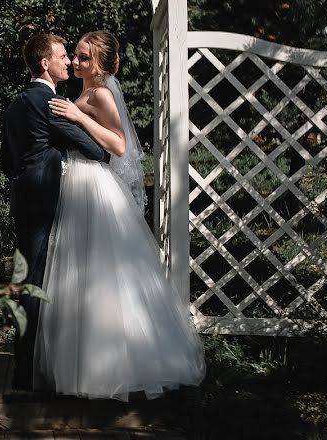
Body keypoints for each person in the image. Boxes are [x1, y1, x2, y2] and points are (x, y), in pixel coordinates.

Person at [36, 30, 206, 400]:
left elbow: (118, 144)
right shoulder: (89, 91)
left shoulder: (101, 93)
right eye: (76, 56)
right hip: (78, 181)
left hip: (94, 185)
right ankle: (85, 367)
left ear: (98, 65)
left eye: (83, 57)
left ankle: (113, 368)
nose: (76, 62)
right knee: (80, 275)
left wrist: (79, 118)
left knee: (101, 274)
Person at [0, 32, 110, 391]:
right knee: (34, 282)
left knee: (30, 278)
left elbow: (4, 157)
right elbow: (94, 149)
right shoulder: (48, 102)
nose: (67, 62)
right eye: (62, 56)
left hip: (23, 197)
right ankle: (25, 373)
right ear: (45, 63)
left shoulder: (16, 104)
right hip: (44, 199)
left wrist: (26, 168)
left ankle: (31, 364)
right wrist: (85, 128)